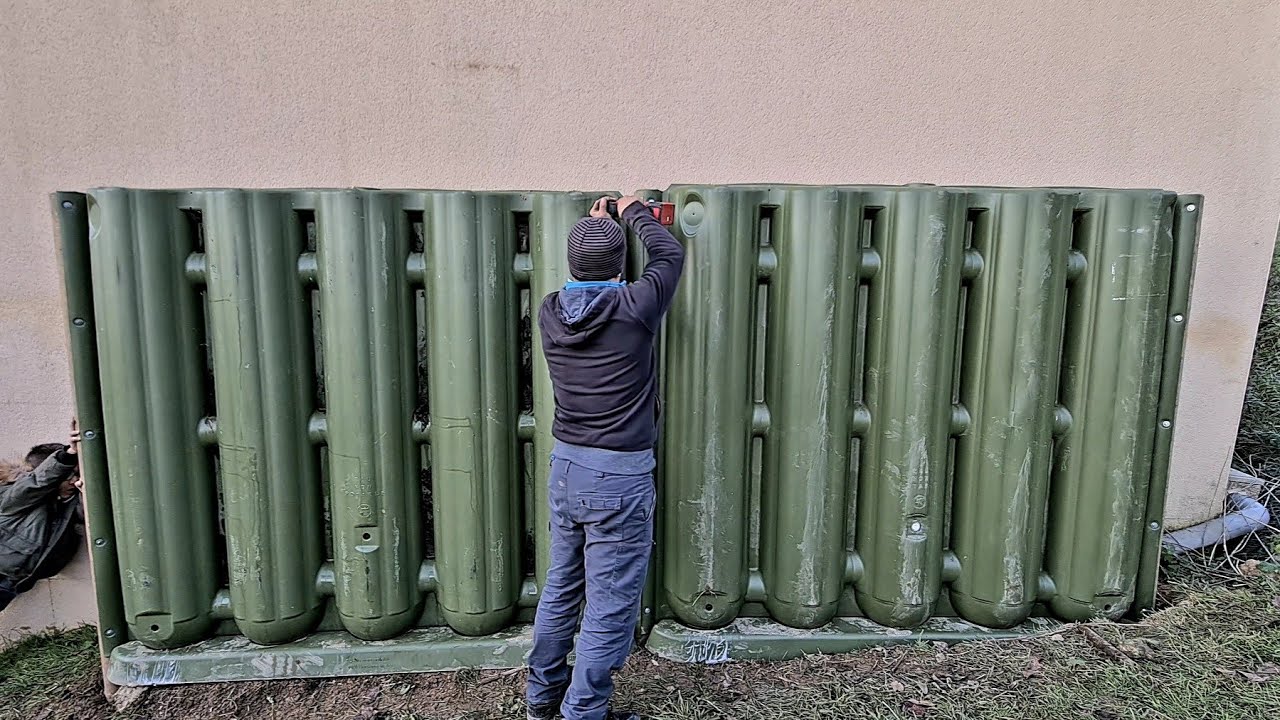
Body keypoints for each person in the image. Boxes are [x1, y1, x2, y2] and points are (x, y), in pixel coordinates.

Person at [525, 196, 685, 720]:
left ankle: (542, 699)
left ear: (570, 264)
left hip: (566, 469)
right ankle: (584, 712)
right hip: (617, 478)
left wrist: (597, 229)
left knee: (562, 586)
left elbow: (604, 273)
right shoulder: (635, 308)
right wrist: (636, 211)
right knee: (610, 606)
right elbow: (668, 254)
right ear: (619, 266)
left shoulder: (549, 311)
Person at [0, 423, 83, 611]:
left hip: (12, 582)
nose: (72, 480)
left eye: (76, 474)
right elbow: (36, 483)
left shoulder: (65, 503)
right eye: (68, 475)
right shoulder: (14, 496)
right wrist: (68, 454)